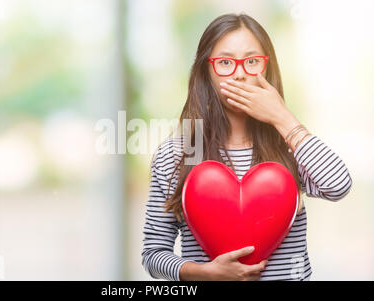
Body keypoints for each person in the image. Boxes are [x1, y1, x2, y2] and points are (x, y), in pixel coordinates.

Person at [141, 13, 352, 281]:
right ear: (206, 71)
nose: (240, 74)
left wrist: (282, 117)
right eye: (225, 62)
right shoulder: (176, 154)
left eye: (252, 62)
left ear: (267, 69)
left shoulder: (292, 146)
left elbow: (338, 186)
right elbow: (154, 254)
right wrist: (204, 273)